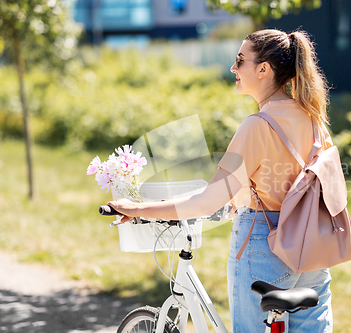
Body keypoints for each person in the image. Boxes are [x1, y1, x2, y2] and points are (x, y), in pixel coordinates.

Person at [108, 28, 334, 333]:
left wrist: (139, 209)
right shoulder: (313, 119)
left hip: (264, 248)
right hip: (312, 246)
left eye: (240, 61)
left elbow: (205, 201)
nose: (233, 68)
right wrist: (238, 197)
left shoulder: (257, 126)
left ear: (263, 69)